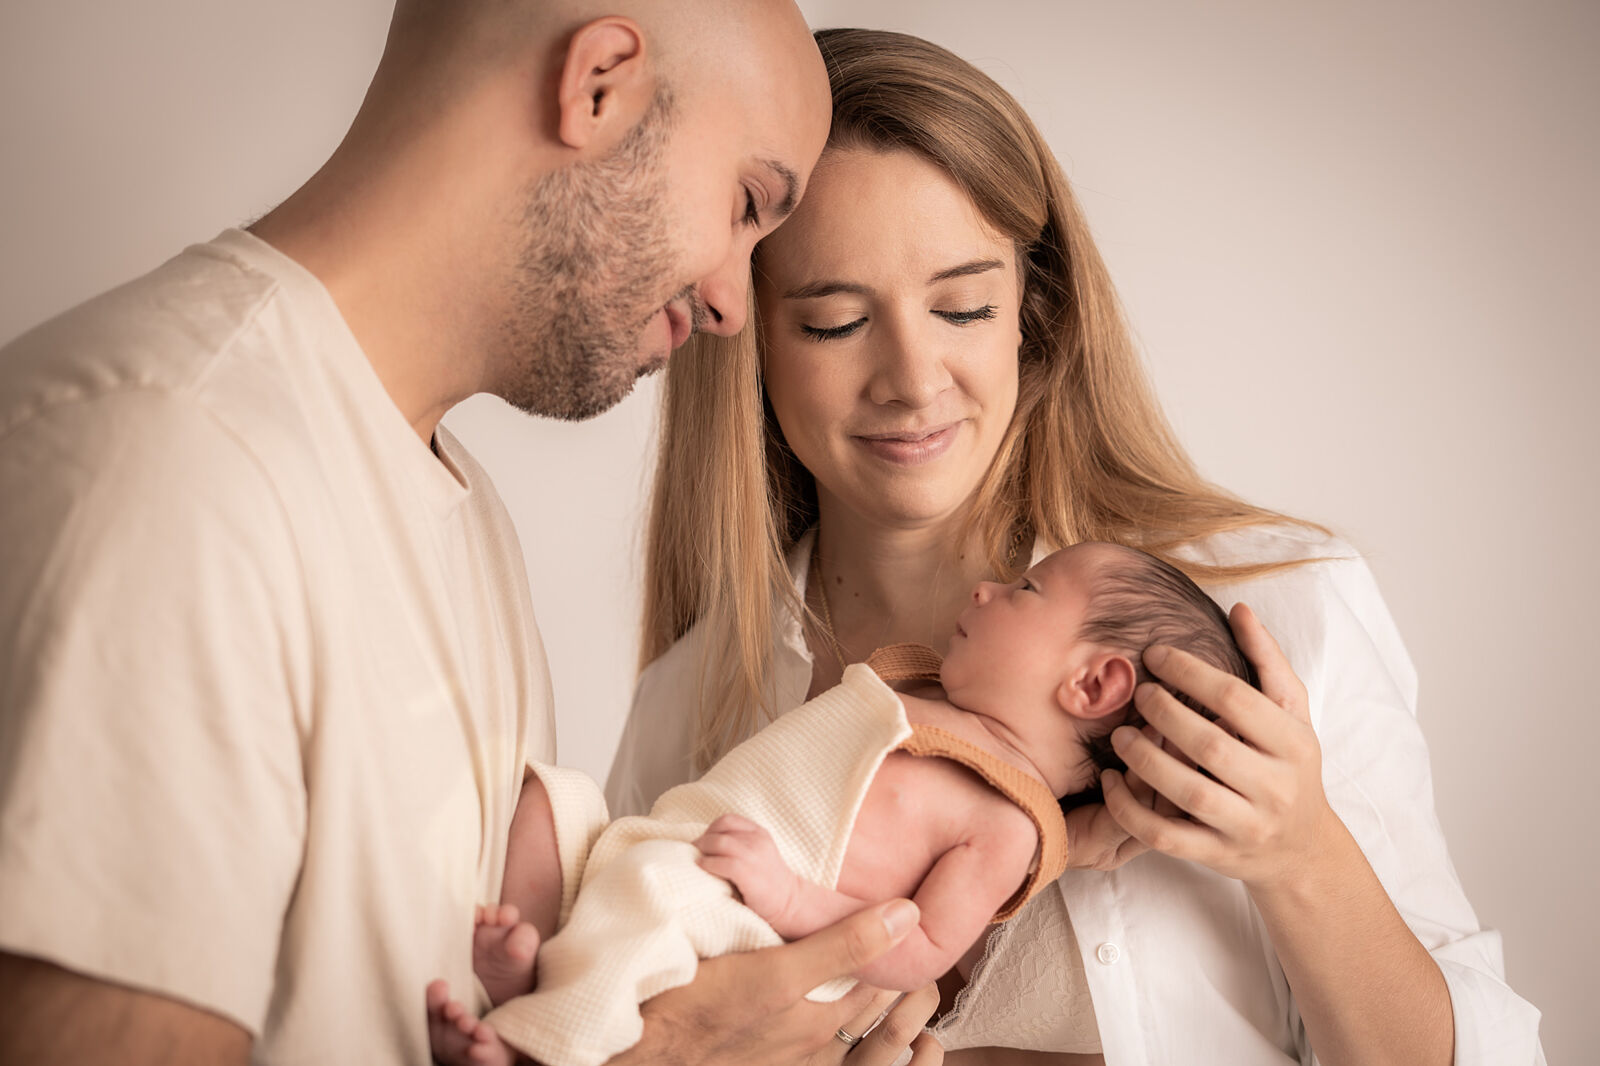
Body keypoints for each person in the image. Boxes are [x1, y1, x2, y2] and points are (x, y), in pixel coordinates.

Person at [0, 4, 946, 1064]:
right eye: (744, 204)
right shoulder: (169, 466)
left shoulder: (465, 521)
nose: (731, 303)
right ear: (596, 87)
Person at [608, 26, 1546, 1066]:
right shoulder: (690, 707)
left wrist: (1301, 854)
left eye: (963, 306)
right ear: (741, 332)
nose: (914, 381)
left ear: (1033, 316)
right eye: (833, 322)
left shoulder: (1274, 617)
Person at [429, 541, 1253, 1066]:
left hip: (753, 920)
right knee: (550, 804)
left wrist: (791, 898)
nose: (984, 592)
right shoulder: (933, 695)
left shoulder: (1009, 820)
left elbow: (922, 942)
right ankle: (540, 967)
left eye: (1026, 592)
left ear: (1094, 683)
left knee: (651, 925)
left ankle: (535, 1046)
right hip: (673, 840)